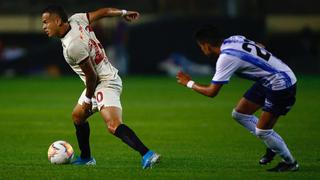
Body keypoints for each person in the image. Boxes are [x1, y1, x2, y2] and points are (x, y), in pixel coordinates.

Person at [41, 5, 160, 169]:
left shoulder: (73, 46)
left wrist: (89, 99)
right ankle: (86, 158)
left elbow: (92, 76)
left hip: (105, 82)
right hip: (97, 82)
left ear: (58, 20)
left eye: (46, 22)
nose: (44, 27)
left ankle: (148, 154)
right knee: (77, 117)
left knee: (113, 125)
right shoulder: (77, 19)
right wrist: (123, 13)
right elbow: (103, 12)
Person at [176, 26, 299, 172]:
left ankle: (290, 163)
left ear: (206, 45)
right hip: (268, 79)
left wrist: (188, 83)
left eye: (201, 47)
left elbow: (211, 92)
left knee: (262, 131)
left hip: (281, 83)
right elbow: (260, 46)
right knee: (240, 114)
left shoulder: (226, 58)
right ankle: (272, 144)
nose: (202, 50)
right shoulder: (235, 38)